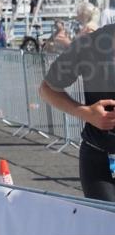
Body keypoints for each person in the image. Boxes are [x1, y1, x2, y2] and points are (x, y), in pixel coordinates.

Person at [39, 23, 115, 202]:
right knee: (107, 226)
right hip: (101, 159)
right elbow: (46, 89)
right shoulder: (90, 44)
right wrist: (85, 112)